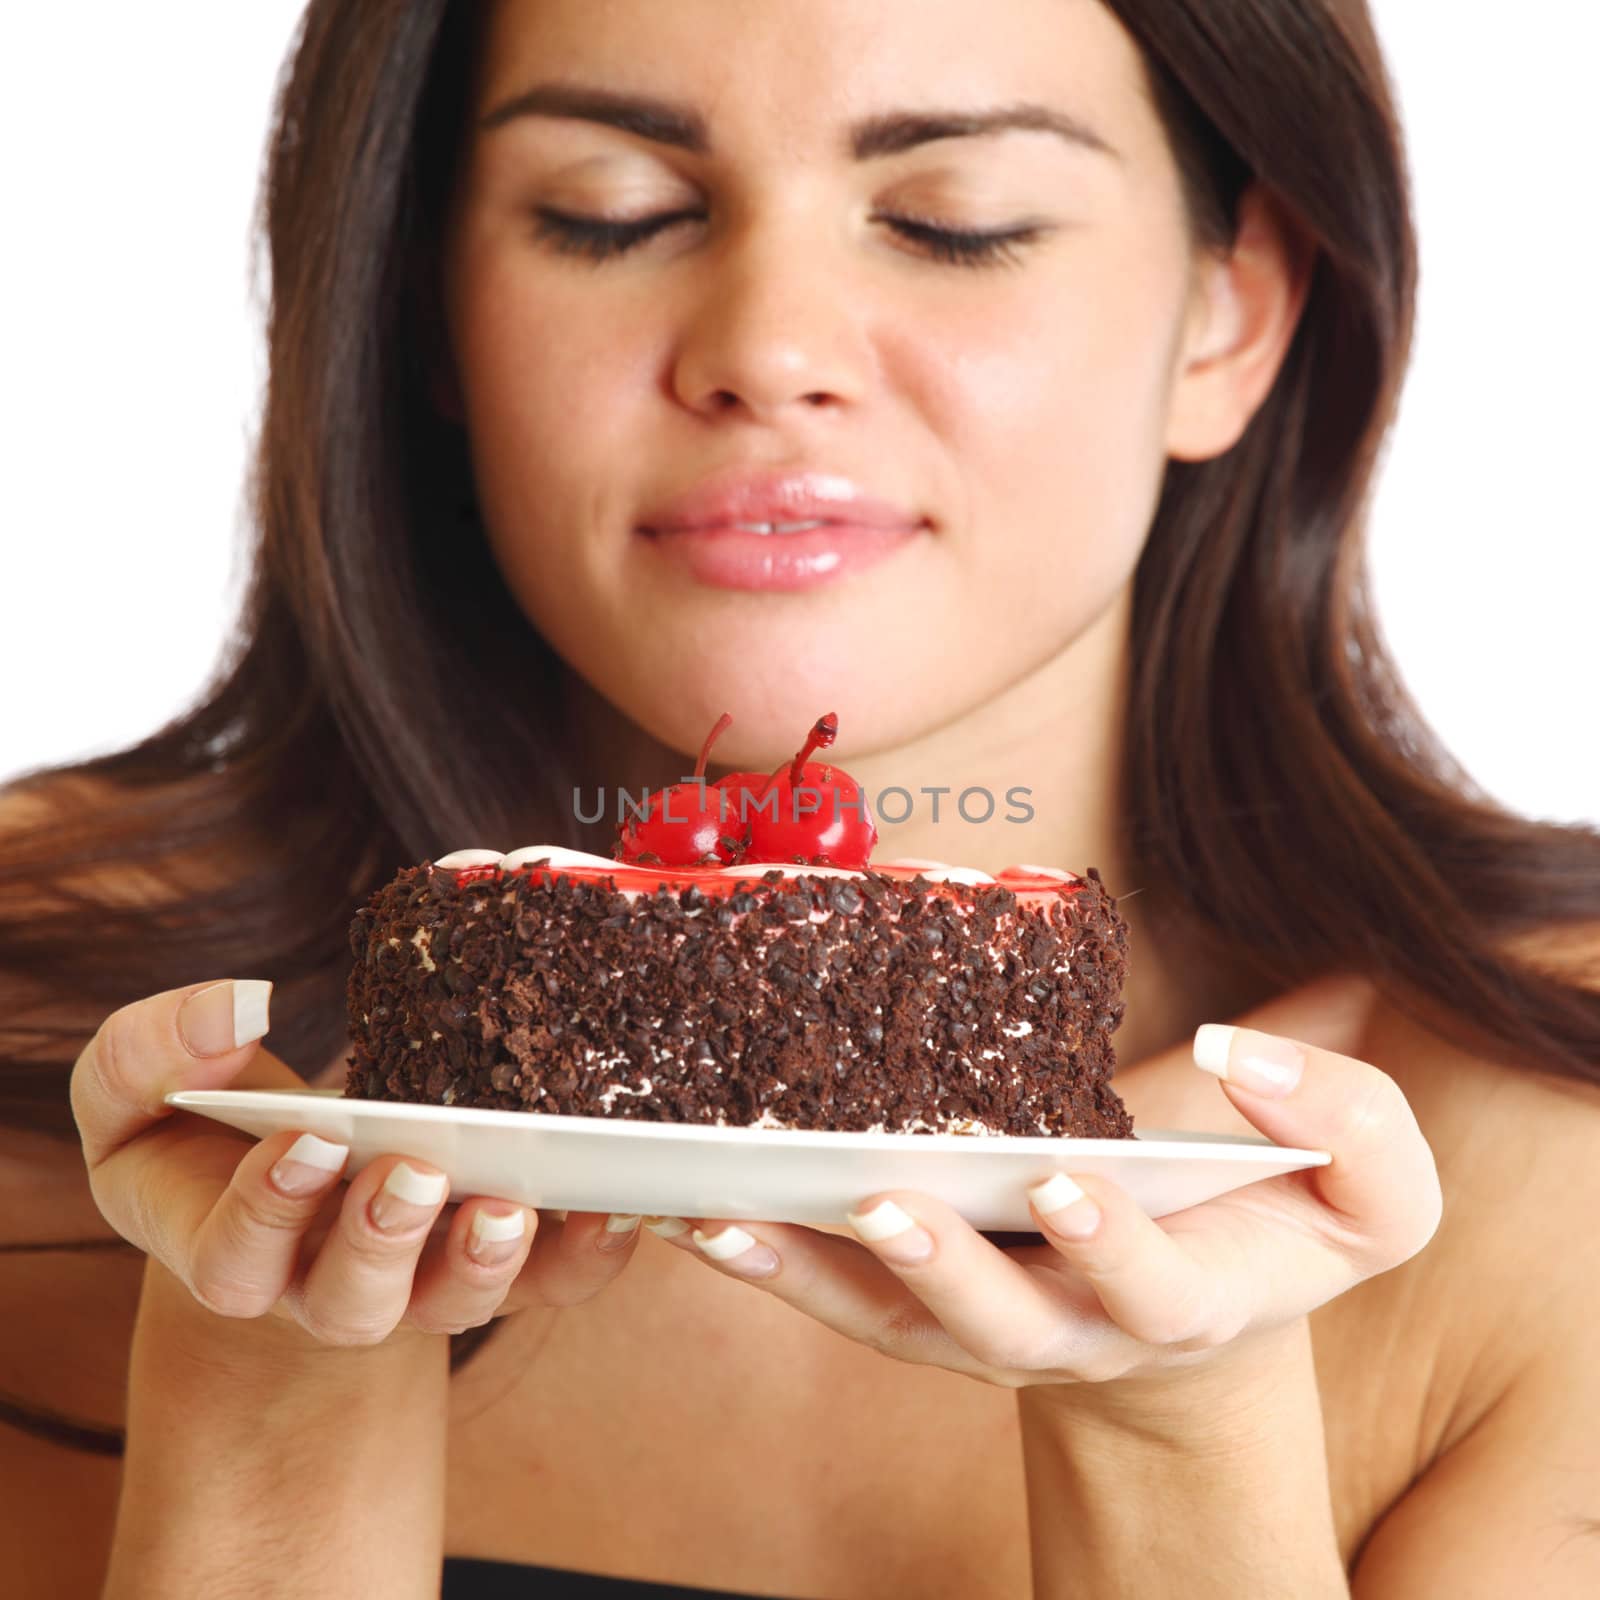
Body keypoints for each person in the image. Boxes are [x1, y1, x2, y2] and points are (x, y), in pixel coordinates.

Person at [2, 0, 1598, 1594]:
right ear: (426, 305)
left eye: (951, 224)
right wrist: (268, 1375)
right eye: (608, 214)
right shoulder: (72, 1055)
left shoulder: (1553, 1154)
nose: (767, 351)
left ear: (1228, 315)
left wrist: (1181, 1424)